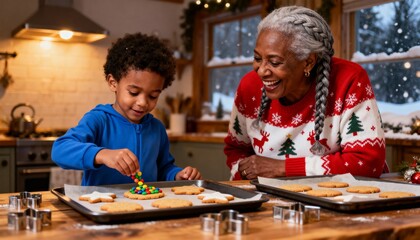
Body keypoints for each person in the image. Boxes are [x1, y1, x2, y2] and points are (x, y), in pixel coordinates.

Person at [224, 6, 386, 180]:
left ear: (308, 62)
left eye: (275, 62)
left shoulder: (350, 79)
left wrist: (284, 168)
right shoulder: (249, 86)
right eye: (257, 59)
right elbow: (236, 149)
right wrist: (246, 173)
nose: (262, 71)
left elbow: (367, 162)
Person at [52, 32, 201, 186]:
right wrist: (102, 154)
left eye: (153, 96)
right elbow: (60, 150)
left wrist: (177, 175)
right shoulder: (98, 120)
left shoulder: (157, 128)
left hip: (145, 207)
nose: (143, 102)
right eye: (134, 93)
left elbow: (163, 168)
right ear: (113, 82)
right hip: (101, 207)